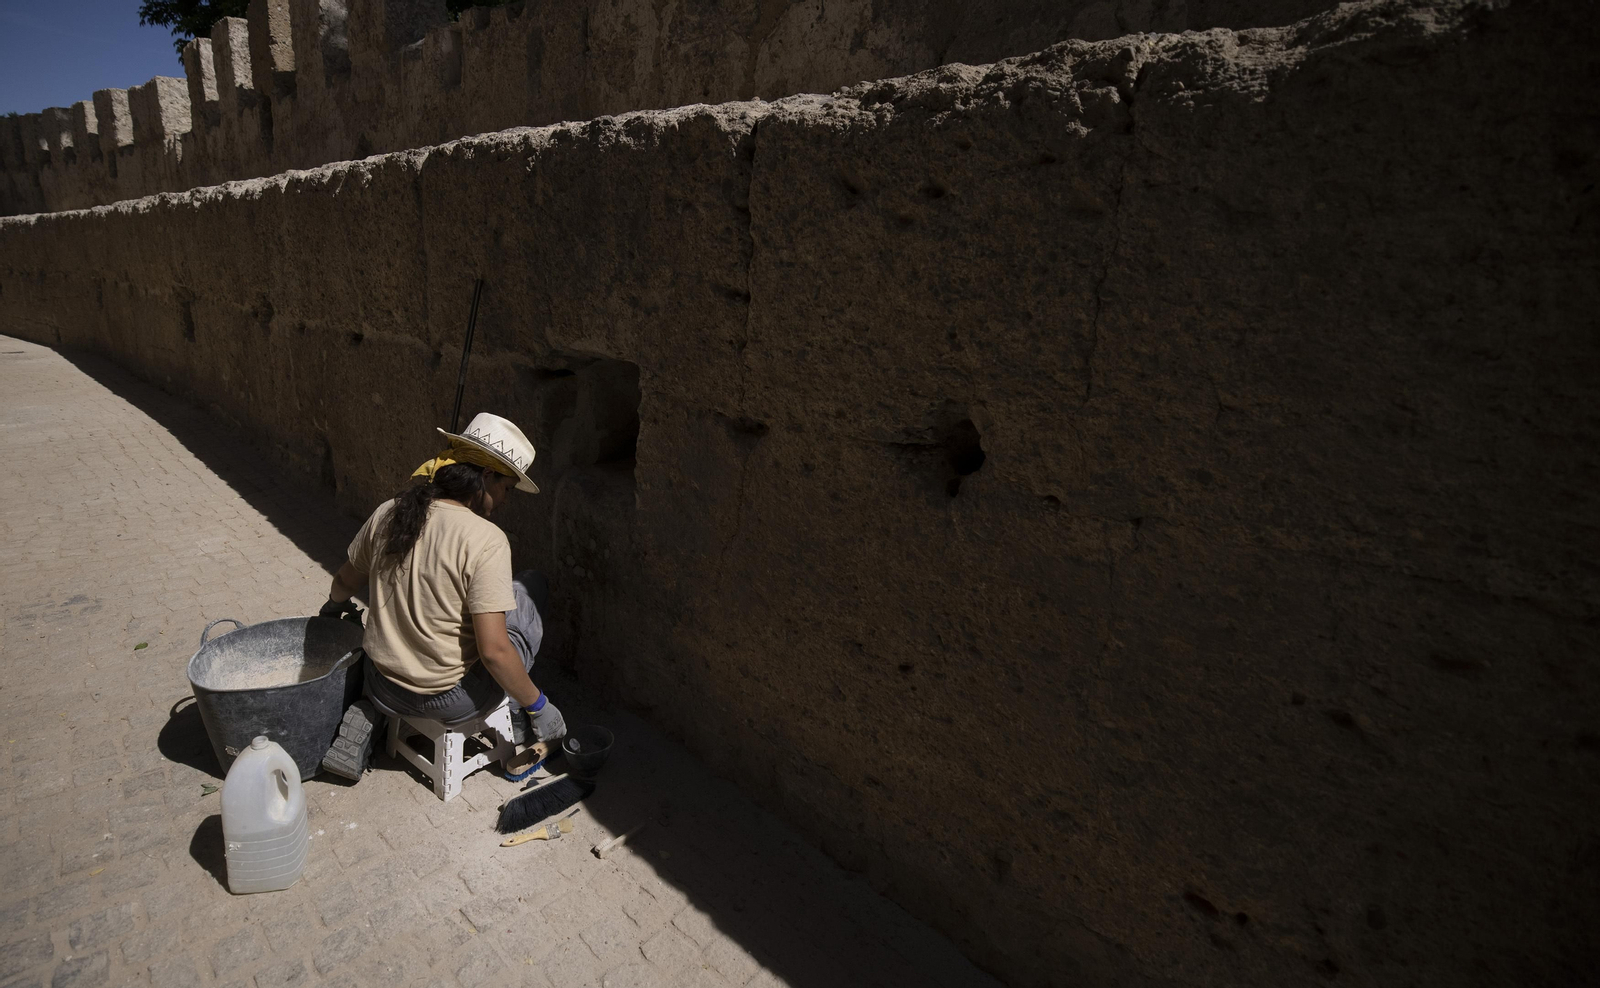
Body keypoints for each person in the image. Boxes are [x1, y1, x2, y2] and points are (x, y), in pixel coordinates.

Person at [318, 412, 562, 780]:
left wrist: (333, 608)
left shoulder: (390, 511)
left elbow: (343, 580)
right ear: (487, 476)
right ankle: (516, 711)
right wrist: (539, 705)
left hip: (381, 683)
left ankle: (375, 713)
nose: (505, 499)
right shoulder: (486, 539)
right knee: (528, 592)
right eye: (507, 488)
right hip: (450, 701)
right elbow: (494, 652)